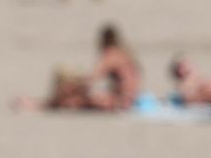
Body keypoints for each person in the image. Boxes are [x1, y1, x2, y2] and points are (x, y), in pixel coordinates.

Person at [13, 24, 142, 112]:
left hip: (121, 102)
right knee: (76, 97)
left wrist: (72, 82)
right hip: (132, 99)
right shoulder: (125, 54)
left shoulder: (110, 55)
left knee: (72, 97)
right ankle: (40, 104)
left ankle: (38, 105)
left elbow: (92, 80)